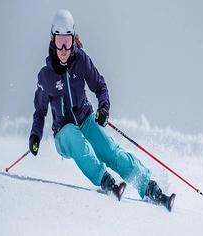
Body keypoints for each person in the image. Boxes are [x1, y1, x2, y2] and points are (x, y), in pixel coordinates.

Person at [29, 9, 175, 210]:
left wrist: (104, 108)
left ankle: (150, 188)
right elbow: (39, 111)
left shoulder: (81, 61)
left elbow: (100, 86)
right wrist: (35, 135)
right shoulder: (46, 75)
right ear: (52, 41)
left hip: (86, 119)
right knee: (75, 138)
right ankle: (105, 180)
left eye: (68, 41)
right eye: (59, 41)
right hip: (63, 133)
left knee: (112, 152)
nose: (63, 48)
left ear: (73, 40)